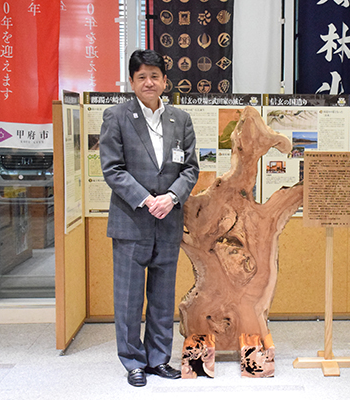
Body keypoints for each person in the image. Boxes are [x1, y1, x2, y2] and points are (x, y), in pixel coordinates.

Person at [99, 49, 199, 387]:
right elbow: (112, 169)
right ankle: (132, 361)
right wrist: (146, 199)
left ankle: (158, 359)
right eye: (141, 76)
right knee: (128, 297)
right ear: (131, 81)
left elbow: (190, 169)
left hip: (168, 220)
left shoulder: (180, 119)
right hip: (131, 220)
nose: (149, 82)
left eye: (155, 76)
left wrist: (170, 198)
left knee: (162, 296)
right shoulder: (116, 116)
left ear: (165, 81)